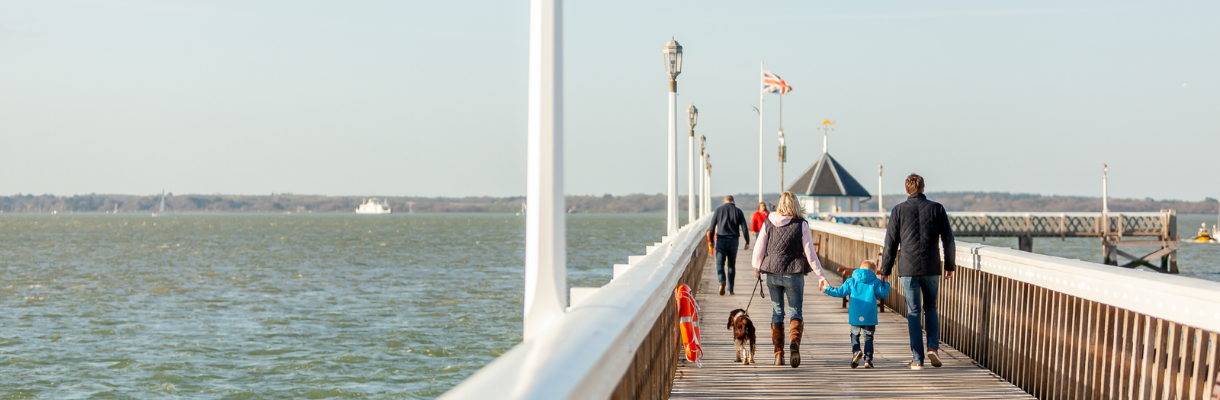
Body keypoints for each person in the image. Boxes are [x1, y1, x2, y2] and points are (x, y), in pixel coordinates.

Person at [878, 173, 955, 370]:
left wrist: (884, 270)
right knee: (930, 308)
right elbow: (948, 239)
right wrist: (950, 266)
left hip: (908, 269)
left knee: (913, 311)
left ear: (907, 190)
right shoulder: (937, 208)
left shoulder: (898, 210)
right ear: (923, 188)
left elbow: (891, 244)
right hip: (931, 267)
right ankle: (933, 348)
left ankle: (917, 360)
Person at [751, 192, 828, 367]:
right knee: (795, 311)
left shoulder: (768, 221)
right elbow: (810, 254)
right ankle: (794, 341)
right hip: (794, 272)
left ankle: (779, 354)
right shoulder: (801, 224)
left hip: (772, 271)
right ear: (795, 204)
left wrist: (757, 269)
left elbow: (759, 248)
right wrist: (821, 276)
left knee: (777, 312)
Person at [822, 260, 891, 369]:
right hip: (869, 315)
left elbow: (840, 292)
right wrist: (886, 283)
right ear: (873, 271)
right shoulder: (875, 281)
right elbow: (882, 294)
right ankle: (868, 359)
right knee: (868, 337)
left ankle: (856, 352)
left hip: (855, 315)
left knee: (854, 335)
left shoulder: (851, 280)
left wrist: (827, 289)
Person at [708, 195, 750, 296]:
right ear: (733, 202)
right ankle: (730, 290)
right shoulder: (738, 211)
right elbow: (744, 227)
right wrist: (747, 241)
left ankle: (722, 280)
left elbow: (712, 227)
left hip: (721, 239)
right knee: (731, 265)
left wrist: (711, 241)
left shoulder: (718, 210)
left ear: (724, 201)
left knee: (719, 263)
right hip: (734, 240)